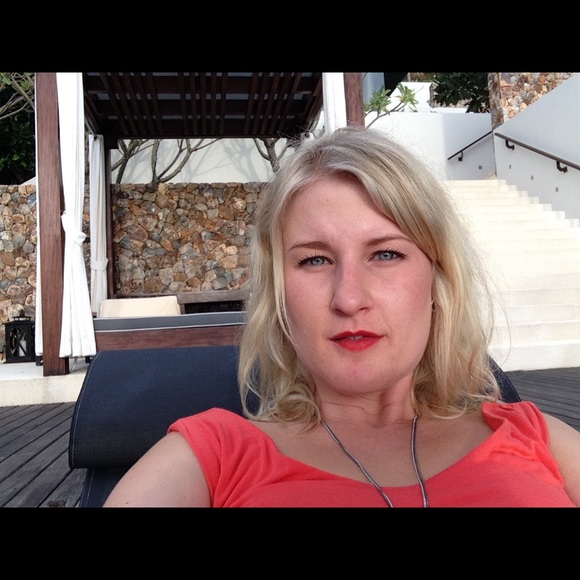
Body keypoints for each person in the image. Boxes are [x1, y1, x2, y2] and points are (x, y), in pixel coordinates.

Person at [104, 126, 580, 507]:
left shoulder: (537, 438)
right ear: (280, 296)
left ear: (437, 281)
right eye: (315, 260)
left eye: (386, 254)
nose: (349, 299)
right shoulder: (211, 457)